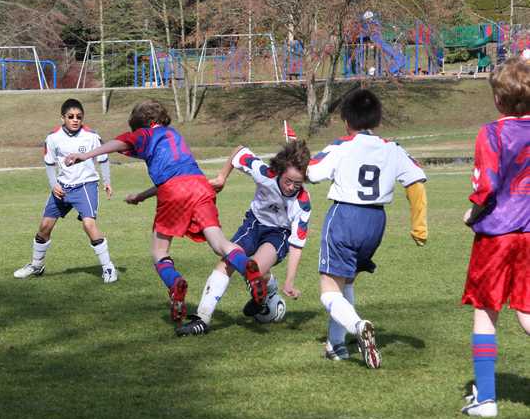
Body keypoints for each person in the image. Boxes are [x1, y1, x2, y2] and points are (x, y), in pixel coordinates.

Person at [64, 100, 267, 331]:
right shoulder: (174, 135)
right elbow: (176, 174)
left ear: (145, 123)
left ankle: (175, 283)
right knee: (220, 243)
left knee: (159, 251)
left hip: (174, 190)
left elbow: (119, 143)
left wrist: (86, 156)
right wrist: (141, 196)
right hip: (200, 185)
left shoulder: (146, 134)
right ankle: (247, 267)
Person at [308, 89, 427, 368]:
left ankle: (358, 326)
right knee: (347, 280)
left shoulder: (342, 145)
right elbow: (416, 182)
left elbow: (312, 173)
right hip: (375, 222)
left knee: (328, 290)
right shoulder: (392, 148)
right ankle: (336, 345)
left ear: (346, 120)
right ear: (378, 119)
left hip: (345, 216)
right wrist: (419, 225)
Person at [176, 140, 312, 336]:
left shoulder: (303, 203)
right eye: (288, 181)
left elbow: (297, 246)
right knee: (228, 262)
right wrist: (222, 176)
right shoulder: (265, 173)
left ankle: (263, 294)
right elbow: (240, 150)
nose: (291, 187)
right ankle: (202, 319)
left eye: (297, 184)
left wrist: (290, 281)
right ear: (279, 171)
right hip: (253, 225)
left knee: (254, 268)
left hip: (279, 234)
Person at [460, 56, 530, 418]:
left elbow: (486, 187)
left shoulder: (492, 133)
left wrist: (472, 213)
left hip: (497, 236)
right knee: (527, 313)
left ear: (499, 99)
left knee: (486, 312)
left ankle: (486, 399)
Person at [13, 99, 117, 283]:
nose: (75, 120)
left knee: (89, 225)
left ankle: (108, 267)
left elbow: (103, 158)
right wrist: (54, 184)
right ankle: (37, 265)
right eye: (71, 117)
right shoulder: (53, 138)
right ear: (63, 118)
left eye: (79, 117)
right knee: (44, 227)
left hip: (85, 185)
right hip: (62, 188)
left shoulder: (91, 136)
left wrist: (107, 181)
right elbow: (49, 163)